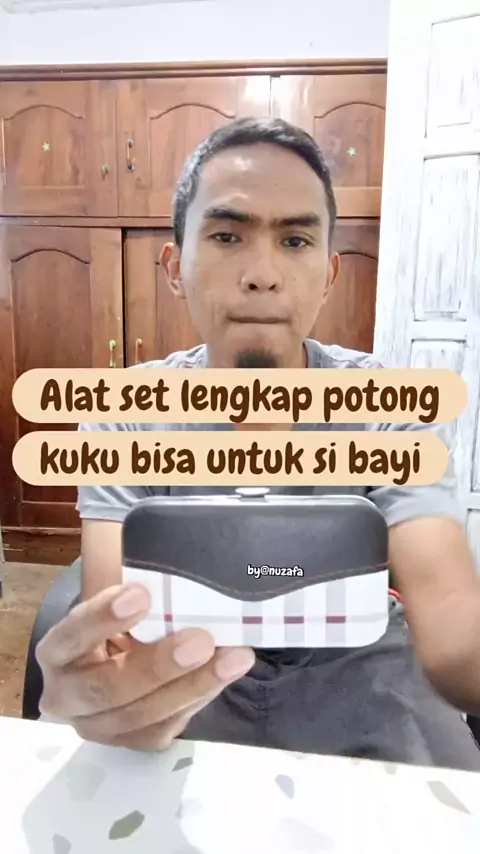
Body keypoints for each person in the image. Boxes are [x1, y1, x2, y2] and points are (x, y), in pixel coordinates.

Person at [36, 118, 480, 769]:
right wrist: (108, 685)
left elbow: (448, 610)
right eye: (226, 236)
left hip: (366, 679)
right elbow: (119, 622)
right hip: (190, 676)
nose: (263, 275)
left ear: (327, 275)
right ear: (174, 268)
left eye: (295, 240)